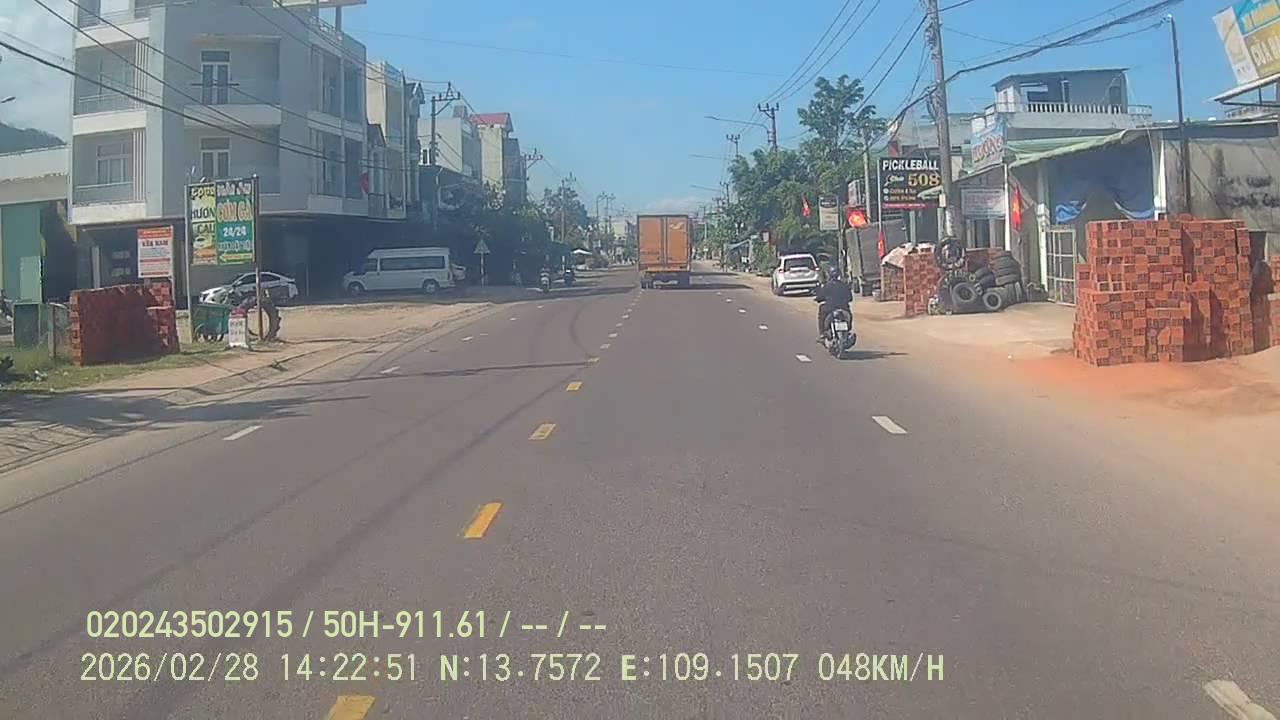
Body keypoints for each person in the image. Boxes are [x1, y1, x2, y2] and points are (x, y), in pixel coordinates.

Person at [815, 269, 854, 342]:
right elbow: (850, 298)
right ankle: (848, 331)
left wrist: (818, 299)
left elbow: (820, 297)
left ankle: (822, 333)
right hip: (844, 309)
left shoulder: (827, 286)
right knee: (849, 315)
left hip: (830, 309)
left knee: (821, 309)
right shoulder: (844, 285)